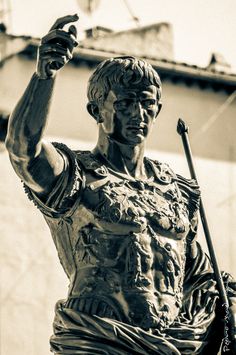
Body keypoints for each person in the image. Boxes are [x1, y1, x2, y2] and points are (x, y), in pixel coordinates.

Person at [5, 15, 236, 355]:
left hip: (174, 345)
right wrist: (44, 76)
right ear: (96, 110)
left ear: (157, 110)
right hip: (100, 340)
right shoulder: (76, 175)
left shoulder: (176, 191)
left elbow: (200, 274)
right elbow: (23, 152)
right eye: (125, 103)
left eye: (146, 104)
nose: (138, 114)